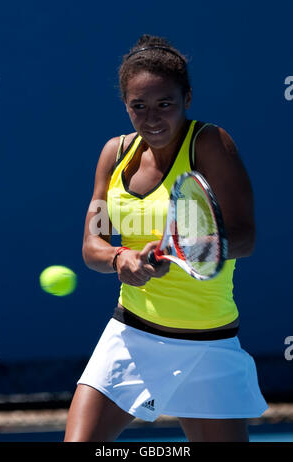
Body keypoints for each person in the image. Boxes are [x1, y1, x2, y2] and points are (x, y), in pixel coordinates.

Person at [64, 34, 268, 442]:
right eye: (138, 106)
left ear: (187, 99)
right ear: (126, 106)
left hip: (207, 346)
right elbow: (93, 245)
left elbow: (245, 237)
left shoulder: (209, 143)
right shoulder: (114, 153)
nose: (152, 118)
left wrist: (193, 247)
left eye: (165, 104)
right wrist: (120, 258)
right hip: (131, 334)